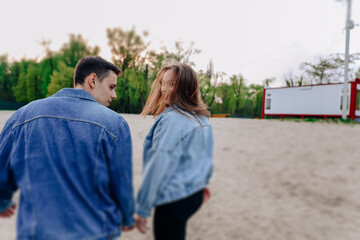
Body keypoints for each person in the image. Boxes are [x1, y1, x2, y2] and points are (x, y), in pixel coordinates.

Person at [0, 56, 135, 239]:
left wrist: (3, 200)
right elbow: (122, 185)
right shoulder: (115, 124)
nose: (114, 95)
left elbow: (3, 171)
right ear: (92, 80)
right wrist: (127, 218)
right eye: (111, 87)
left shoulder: (22, 116)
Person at [135, 63, 214, 240]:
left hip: (173, 199)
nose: (164, 89)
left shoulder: (171, 120)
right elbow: (206, 158)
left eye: (171, 84)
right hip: (193, 195)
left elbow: (157, 166)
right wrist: (202, 184)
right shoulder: (202, 119)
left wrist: (143, 208)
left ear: (185, 87)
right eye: (163, 83)